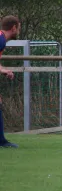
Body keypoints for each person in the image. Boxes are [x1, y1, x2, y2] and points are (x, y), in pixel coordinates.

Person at [0, 16, 21, 148]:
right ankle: (2, 142)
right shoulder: (1, 40)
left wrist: (4, 70)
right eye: (18, 28)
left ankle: (2, 141)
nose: (18, 31)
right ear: (13, 28)